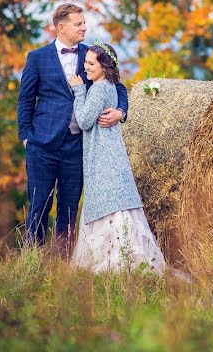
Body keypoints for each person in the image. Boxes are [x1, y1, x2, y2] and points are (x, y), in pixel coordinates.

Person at [16, 3, 128, 253]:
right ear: (61, 27)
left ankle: (63, 263)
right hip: (42, 145)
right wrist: (25, 137)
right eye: (79, 24)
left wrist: (120, 112)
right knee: (39, 205)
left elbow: (119, 86)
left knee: (69, 207)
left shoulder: (93, 54)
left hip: (77, 146)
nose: (84, 27)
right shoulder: (37, 57)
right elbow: (25, 99)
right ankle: (31, 262)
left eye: (84, 23)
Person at [68, 42, 166, 273]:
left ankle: (115, 265)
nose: (86, 67)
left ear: (104, 65)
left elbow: (83, 120)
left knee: (109, 204)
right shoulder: (109, 86)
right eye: (85, 63)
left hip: (104, 158)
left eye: (91, 63)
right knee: (118, 206)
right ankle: (134, 262)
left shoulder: (99, 89)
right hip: (111, 155)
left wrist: (79, 91)